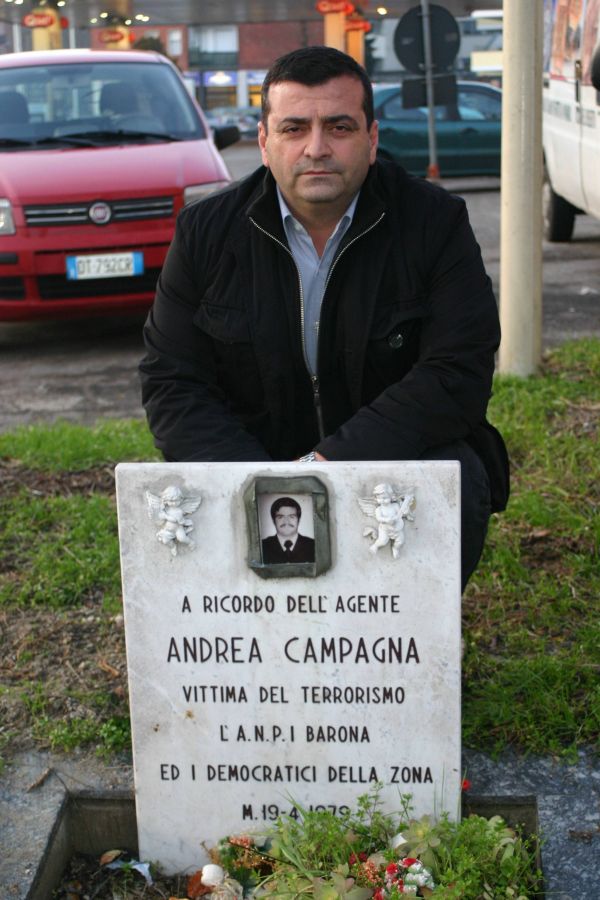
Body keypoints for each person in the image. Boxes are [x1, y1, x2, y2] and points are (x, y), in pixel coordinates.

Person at [139, 45, 509, 590]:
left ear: (372, 139)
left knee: (461, 469)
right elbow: (172, 381)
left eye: (339, 127)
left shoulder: (435, 223)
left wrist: (328, 465)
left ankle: (401, 629)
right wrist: (262, 482)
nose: (316, 148)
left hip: (385, 460)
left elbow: (458, 371)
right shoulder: (205, 233)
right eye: (294, 129)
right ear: (264, 142)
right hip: (252, 459)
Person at [261, 496, 315, 563]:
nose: (286, 521)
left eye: (291, 516)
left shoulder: (313, 546)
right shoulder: (262, 546)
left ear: (298, 520)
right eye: (280, 517)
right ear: (273, 520)